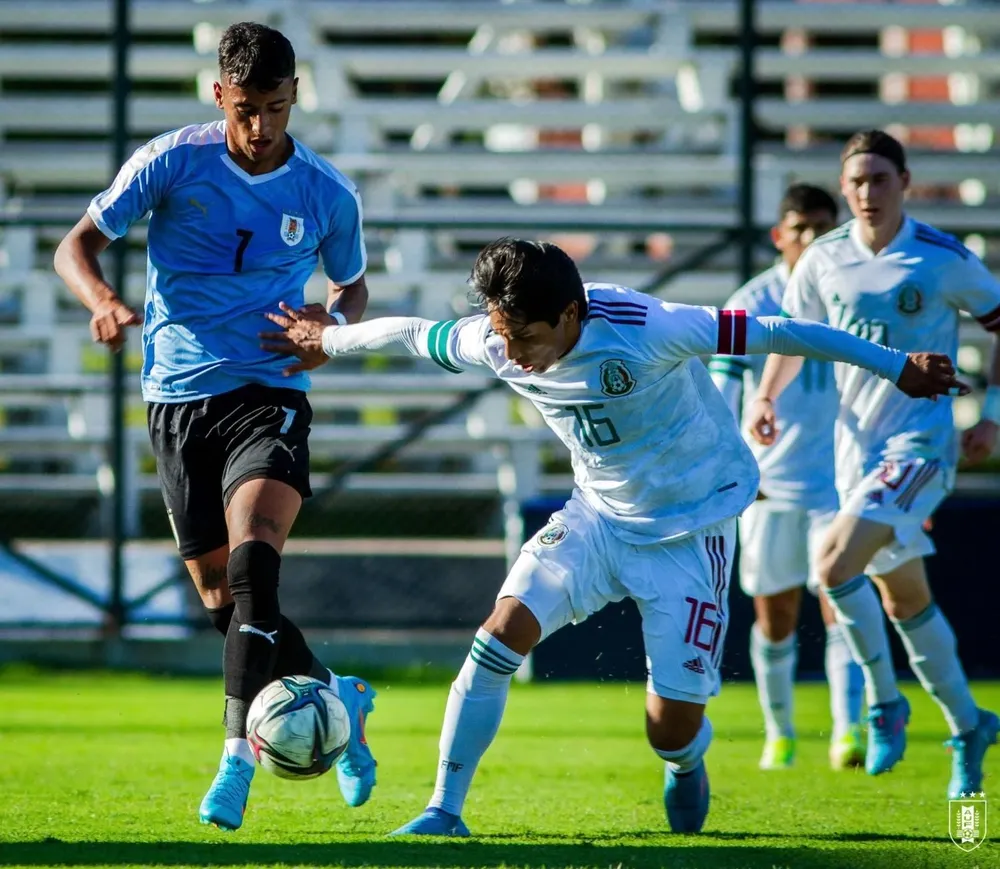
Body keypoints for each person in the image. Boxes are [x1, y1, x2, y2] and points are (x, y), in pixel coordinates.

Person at [261, 237, 962, 835]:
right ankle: (444, 808)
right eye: (501, 333)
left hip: (690, 530)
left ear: (570, 314)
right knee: (500, 633)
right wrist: (328, 338)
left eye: (525, 337)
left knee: (670, 730)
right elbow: (412, 334)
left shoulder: (649, 326)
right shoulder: (498, 339)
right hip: (595, 519)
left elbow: (779, 331)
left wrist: (896, 365)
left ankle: (685, 761)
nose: (511, 352)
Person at [52, 22, 377, 831]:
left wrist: (330, 329)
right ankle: (338, 693)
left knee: (253, 563)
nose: (261, 127)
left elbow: (351, 287)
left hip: (269, 390)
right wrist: (104, 301)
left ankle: (235, 759)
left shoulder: (326, 192)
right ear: (219, 95)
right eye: (245, 110)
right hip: (176, 398)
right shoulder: (172, 160)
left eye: (276, 108)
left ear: (295, 94)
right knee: (219, 599)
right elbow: (76, 246)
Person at [748, 130, 1000, 799]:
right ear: (845, 188)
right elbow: (793, 336)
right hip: (852, 453)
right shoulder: (824, 258)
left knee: (832, 566)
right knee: (905, 598)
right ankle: (969, 724)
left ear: (905, 182)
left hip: (919, 448)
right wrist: (765, 396)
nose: (867, 193)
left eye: (880, 179)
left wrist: (992, 413)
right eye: (856, 182)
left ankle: (884, 703)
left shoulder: (942, 256)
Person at [710, 184, 865, 771]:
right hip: (771, 484)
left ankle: (848, 732)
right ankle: (780, 734)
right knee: (775, 617)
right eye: (800, 227)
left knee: (841, 605)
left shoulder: (857, 293)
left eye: (823, 226)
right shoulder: (752, 302)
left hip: (842, 482)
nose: (812, 238)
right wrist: (734, 469)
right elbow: (722, 397)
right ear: (779, 236)